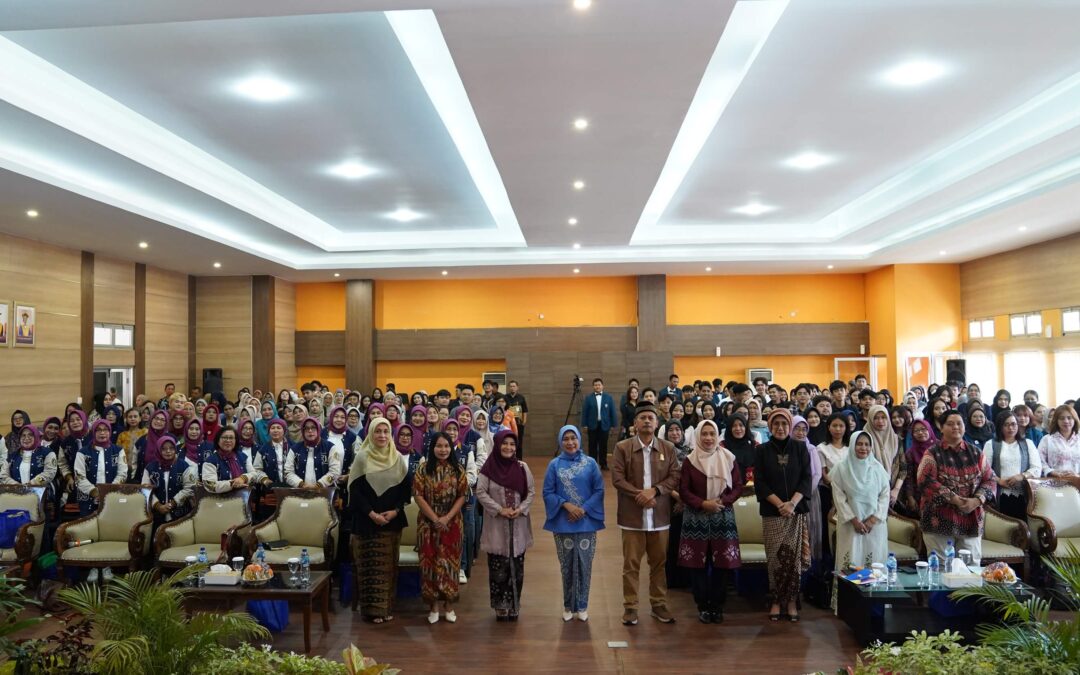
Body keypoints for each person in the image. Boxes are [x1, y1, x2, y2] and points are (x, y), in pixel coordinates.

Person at [611, 401, 680, 626]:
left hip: (660, 516)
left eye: (651, 417)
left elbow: (674, 477)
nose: (647, 421)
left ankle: (658, 604)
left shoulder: (668, 448)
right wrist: (640, 494)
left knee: (659, 563)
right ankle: (630, 607)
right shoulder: (623, 447)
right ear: (635, 423)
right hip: (632, 517)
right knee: (631, 564)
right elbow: (617, 479)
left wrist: (655, 491)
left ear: (657, 422)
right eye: (643, 418)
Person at [678, 420, 742, 624]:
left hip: (722, 515)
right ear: (698, 436)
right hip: (696, 517)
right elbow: (684, 490)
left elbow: (738, 486)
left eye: (712, 434)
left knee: (722, 564)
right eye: (704, 434)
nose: (708, 438)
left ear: (717, 436)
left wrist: (722, 502)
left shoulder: (728, 457)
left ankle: (717, 605)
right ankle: (702, 605)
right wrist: (703, 503)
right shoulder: (690, 460)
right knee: (697, 565)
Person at [348, 417, 411, 624]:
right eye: (378, 431)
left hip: (391, 522)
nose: (382, 435)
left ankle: (385, 608)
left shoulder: (398, 458)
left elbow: (406, 492)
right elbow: (355, 491)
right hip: (365, 522)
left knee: (387, 567)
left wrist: (394, 511)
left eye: (386, 431)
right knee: (368, 567)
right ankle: (370, 610)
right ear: (370, 433)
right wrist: (371, 513)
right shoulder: (362, 457)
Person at [754, 408, 812, 622]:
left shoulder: (800, 448)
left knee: (793, 560)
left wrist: (792, 503)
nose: (780, 428)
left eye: (784, 424)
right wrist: (781, 505)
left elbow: (807, 479)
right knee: (776, 560)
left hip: (796, 512)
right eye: (776, 424)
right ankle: (777, 600)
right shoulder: (762, 451)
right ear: (769, 427)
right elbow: (760, 482)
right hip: (773, 513)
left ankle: (791, 601)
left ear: (790, 426)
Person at [543, 425, 604, 622]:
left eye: (573, 438)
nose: (570, 442)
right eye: (566, 439)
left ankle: (583, 605)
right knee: (567, 565)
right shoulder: (554, 465)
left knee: (585, 565)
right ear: (560, 442)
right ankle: (568, 605)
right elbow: (548, 492)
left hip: (586, 522)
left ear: (579, 440)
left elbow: (599, 490)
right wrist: (567, 505)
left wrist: (583, 509)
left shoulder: (591, 463)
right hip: (563, 522)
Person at [917, 410, 996, 562]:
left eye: (959, 423)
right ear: (941, 427)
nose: (955, 427)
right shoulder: (932, 453)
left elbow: (990, 479)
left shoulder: (976, 453)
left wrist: (977, 500)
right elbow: (925, 481)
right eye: (950, 424)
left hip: (971, 520)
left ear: (964, 427)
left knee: (970, 571)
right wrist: (955, 499)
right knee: (941, 570)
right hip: (938, 521)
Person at [476, 430, 535, 621]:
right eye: (505, 443)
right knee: (498, 568)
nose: (508, 447)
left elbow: (531, 492)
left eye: (512, 444)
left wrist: (520, 509)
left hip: (518, 523)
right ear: (498, 444)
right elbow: (481, 492)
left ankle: (515, 605)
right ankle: (500, 606)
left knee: (517, 568)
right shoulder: (489, 468)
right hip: (496, 524)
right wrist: (500, 509)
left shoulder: (522, 467)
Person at [413, 431, 468, 624]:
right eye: (439, 446)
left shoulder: (458, 469)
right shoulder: (422, 469)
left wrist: (446, 518)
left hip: (452, 523)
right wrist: (435, 518)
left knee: (450, 565)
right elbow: (418, 496)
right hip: (428, 523)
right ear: (432, 447)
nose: (443, 450)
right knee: (429, 565)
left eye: (446, 446)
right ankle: (433, 606)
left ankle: (449, 606)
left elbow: (462, 496)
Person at [830, 430, 890, 576]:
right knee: (850, 563)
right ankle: (850, 598)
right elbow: (838, 497)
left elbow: (885, 495)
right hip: (850, 525)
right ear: (852, 445)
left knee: (874, 565)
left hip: (874, 526)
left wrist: (873, 519)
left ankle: (874, 598)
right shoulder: (841, 468)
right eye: (859, 444)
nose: (864, 448)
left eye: (867, 445)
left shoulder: (877, 468)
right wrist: (854, 520)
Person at [983, 411, 1042, 519]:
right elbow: (985, 470)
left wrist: (1021, 476)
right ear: (1000, 426)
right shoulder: (991, 444)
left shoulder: (1027, 443)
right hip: (1000, 494)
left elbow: (1037, 468)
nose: (1011, 428)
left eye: (1013, 424)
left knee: (1023, 528)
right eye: (1006, 424)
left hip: (1024, 494)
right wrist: (999, 480)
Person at [142, 436, 196, 539]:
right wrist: (158, 506)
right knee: (158, 543)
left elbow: (189, 488)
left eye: (171, 448)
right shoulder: (150, 468)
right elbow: (145, 489)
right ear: (158, 449)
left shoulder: (183, 466)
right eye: (164, 449)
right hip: (157, 515)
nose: (168, 451)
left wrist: (173, 503)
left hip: (180, 514)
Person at [73, 420, 127, 516]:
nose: (102, 433)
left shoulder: (118, 451)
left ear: (110, 432)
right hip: (88, 500)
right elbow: (79, 477)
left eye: (105, 430)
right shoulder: (82, 452)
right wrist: (95, 492)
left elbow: (122, 474)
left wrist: (108, 492)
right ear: (93, 432)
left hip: (112, 498)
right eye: (98, 430)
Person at [285, 418, 342, 489]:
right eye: (306, 428)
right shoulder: (295, 449)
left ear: (318, 429)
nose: (310, 431)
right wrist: (301, 484)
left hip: (324, 492)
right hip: (300, 492)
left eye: (313, 428)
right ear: (303, 431)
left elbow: (335, 472)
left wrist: (319, 485)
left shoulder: (330, 448)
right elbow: (288, 472)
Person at [202, 428, 255, 494]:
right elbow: (210, 485)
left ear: (236, 441)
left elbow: (254, 474)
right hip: (219, 501)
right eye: (224, 437)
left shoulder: (243, 456)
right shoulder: (210, 461)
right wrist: (232, 483)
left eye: (231, 438)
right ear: (218, 440)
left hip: (243, 498)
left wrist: (243, 478)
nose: (228, 440)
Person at [580, 378, 617, 470]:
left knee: (603, 445)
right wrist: (584, 425)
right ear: (593, 386)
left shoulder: (609, 398)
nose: (597, 386)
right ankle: (592, 464)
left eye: (599, 384)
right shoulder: (588, 398)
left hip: (605, 425)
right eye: (596, 385)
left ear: (602, 386)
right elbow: (585, 412)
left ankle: (603, 463)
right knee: (592, 445)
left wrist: (613, 425)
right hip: (592, 425)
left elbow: (612, 412)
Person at [1039, 404, 1080, 477]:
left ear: (1075, 419)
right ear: (1056, 420)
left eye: (1069, 418)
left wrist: (1077, 475)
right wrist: (1052, 472)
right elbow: (1040, 461)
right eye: (1062, 418)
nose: (1066, 421)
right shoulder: (1047, 439)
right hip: (1054, 483)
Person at [504, 381, 529, 457]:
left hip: (519, 423)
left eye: (514, 386)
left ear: (517, 387)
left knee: (518, 442)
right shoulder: (505, 397)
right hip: (508, 424)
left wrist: (524, 421)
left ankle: (519, 460)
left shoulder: (521, 397)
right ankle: (509, 458)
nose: (512, 388)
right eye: (511, 386)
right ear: (509, 387)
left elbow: (525, 410)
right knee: (508, 441)